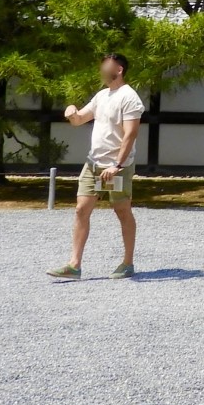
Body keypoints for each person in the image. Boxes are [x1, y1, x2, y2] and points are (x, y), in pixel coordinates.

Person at [48, 52, 145, 279]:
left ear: (119, 69)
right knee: (81, 209)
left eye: (106, 65)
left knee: (121, 211)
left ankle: (128, 263)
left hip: (115, 166)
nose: (101, 69)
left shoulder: (130, 98)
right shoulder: (102, 95)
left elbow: (130, 135)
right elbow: (80, 119)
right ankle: (74, 265)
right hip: (93, 163)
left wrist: (117, 165)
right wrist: (71, 111)